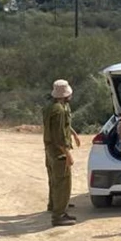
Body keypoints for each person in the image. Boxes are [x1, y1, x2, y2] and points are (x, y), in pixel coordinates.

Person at [44, 79, 80, 227]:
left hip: (50, 149)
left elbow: (61, 126)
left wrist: (73, 133)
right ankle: (59, 215)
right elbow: (59, 135)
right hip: (58, 150)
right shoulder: (59, 110)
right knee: (63, 181)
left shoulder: (52, 107)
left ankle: (54, 204)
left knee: (54, 179)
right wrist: (68, 154)